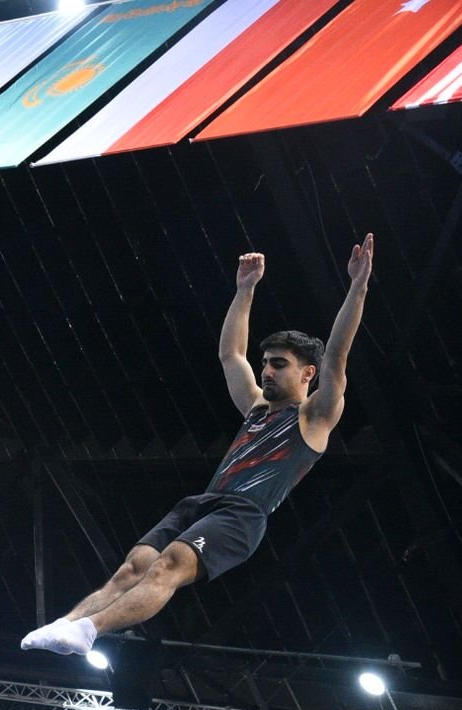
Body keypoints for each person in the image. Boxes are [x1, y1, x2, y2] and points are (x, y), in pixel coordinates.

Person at [21, 234, 374, 656]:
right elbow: (231, 354)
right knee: (133, 567)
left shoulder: (313, 418)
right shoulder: (257, 409)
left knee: (167, 565)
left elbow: (337, 358)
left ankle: (89, 630)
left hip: (242, 516)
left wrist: (357, 287)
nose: (266, 371)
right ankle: (65, 625)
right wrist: (245, 290)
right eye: (265, 363)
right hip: (203, 503)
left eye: (279, 365)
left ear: (307, 374)